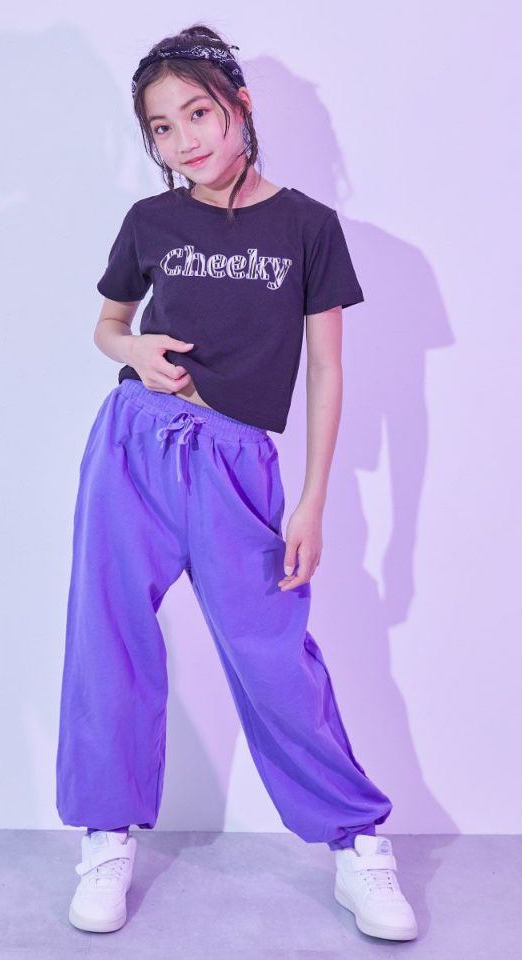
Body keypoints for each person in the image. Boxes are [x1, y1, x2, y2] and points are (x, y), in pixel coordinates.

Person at [55, 22, 418, 943]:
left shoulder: (308, 227)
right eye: (162, 127)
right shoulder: (151, 222)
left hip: (236, 463)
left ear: (240, 107)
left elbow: (327, 370)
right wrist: (135, 349)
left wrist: (313, 499)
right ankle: (106, 833)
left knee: (273, 658)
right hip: (135, 443)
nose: (185, 140)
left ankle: (356, 842)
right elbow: (107, 325)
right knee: (109, 638)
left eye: (198, 114)